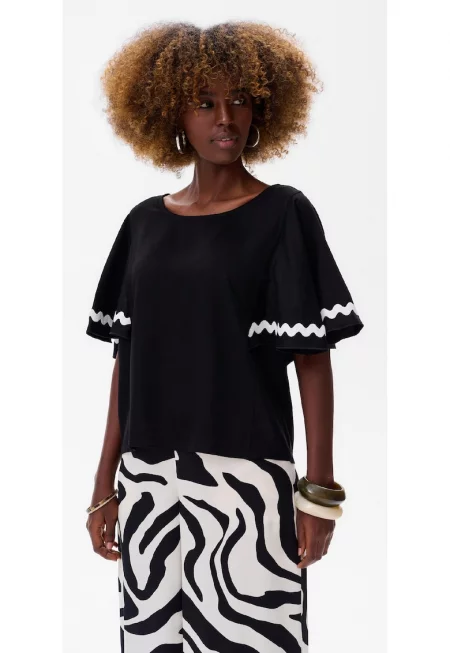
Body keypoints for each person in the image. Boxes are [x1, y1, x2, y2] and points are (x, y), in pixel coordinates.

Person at [84, 20, 364, 653]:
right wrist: (104, 484)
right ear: (173, 113)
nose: (225, 117)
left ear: (262, 108)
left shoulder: (284, 213)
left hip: (247, 483)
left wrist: (318, 494)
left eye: (239, 99)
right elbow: (127, 358)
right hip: (149, 481)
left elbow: (311, 357)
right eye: (205, 102)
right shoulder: (143, 225)